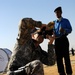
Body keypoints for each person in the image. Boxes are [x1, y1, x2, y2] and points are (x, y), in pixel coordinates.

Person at [52, 6, 73, 75]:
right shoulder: (54, 23)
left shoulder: (66, 21)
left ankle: (69, 73)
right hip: (57, 41)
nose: (57, 14)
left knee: (66, 58)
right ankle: (61, 73)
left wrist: (64, 30)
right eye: (56, 13)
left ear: (61, 12)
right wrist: (53, 34)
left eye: (58, 12)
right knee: (58, 59)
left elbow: (70, 30)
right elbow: (52, 31)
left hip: (64, 40)